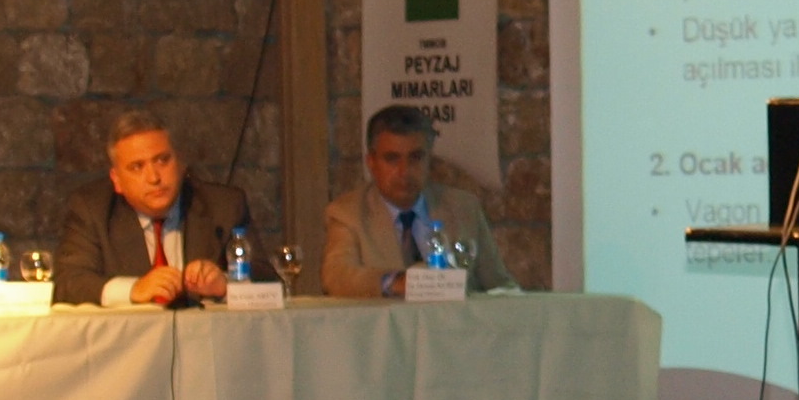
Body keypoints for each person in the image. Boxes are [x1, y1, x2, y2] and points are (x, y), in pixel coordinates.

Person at [53, 109, 271, 307]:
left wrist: (227, 284)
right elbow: (68, 283)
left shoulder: (223, 206)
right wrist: (133, 289)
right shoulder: (93, 210)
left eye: (162, 160)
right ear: (117, 180)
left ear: (181, 163)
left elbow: (269, 281)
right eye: (137, 167)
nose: (154, 177)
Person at [322, 105, 517, 297]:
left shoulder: (463, 208)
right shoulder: (347, 214)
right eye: (392, 159)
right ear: (371, 162)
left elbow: (500, 285)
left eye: (415, 157)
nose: (405, 171)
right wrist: (397, 283)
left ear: (429, 159)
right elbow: (337, 277)